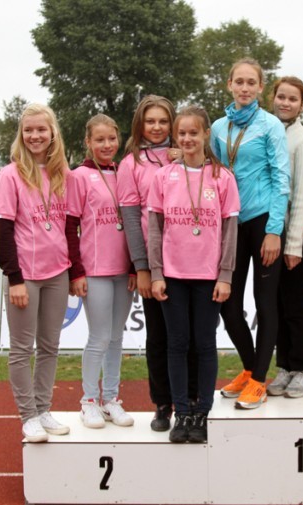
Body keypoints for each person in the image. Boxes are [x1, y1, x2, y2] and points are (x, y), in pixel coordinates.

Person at [149, 106, 240, 442]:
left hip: (208, 276)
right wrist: (156, 272)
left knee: (204, 344)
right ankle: (182, 413)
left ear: (205, 135)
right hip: (172, 275)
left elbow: (230, 230)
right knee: (176, 344)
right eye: (182, 133)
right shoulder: (163, 177)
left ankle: (201, 412)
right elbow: (155, 229)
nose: (187, 139)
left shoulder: (223, 177)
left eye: (193, 133)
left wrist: (225, 275)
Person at [210, 57, 291, 409]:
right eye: (238, 81)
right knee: (227, 304)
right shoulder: (218, 127)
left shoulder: (270, 125)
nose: (244, 88)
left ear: (260, 87)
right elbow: (213, 172)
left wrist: (274, 230)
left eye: (251, 82)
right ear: (229, 84)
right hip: (231, 223)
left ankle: (259, 380)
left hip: (262, 221)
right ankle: (248, 368)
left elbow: (282, 178)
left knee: (264, 301)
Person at [0, 103, 71, 442]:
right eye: (28, 130)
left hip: (58, 273)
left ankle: (43, 409)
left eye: (41, 129)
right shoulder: (10, 174)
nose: (35, 135)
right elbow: (4, 230)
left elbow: (70, 226)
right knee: (22, 349)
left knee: (50, 346)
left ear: (52, 132)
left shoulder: (62, 172)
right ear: (21, 134)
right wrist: (14, 279)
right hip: (24, 274)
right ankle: (28, 416)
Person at [118, 95, 196, 431]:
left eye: (163, 121)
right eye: (150, 121)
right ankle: (163, 404)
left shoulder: (188, 154)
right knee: (160, 337)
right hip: (154, 263)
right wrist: (142, 267)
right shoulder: (130, 164)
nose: (157, 127)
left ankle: (191, 400)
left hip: (189, 260)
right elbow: (131, 218)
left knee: (190, 336)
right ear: (140, 124)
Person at [66, 114, 136, 429]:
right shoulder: (79, 176)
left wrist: (135, 266)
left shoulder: (124, 172)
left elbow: (134, 222)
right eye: (99, 140)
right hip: (94, 269)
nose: (107, 145)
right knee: (99, 337)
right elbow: (70, 226)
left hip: (124, 269)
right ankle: (89, 400)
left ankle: (111, 398)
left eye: (111, 138)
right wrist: (76, 272)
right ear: (88, 142)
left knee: (117, 337)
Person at [267, 76, 303, 399]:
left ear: (301, 105)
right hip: (268, 233)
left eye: (293, 99)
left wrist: (294, 244)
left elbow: (302, 195)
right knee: (276, 305)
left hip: (291, 236)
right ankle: (285, 366)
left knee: (296, 303)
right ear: (273, 98)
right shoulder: (268, 132)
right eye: (282, 97)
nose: (285, 103)